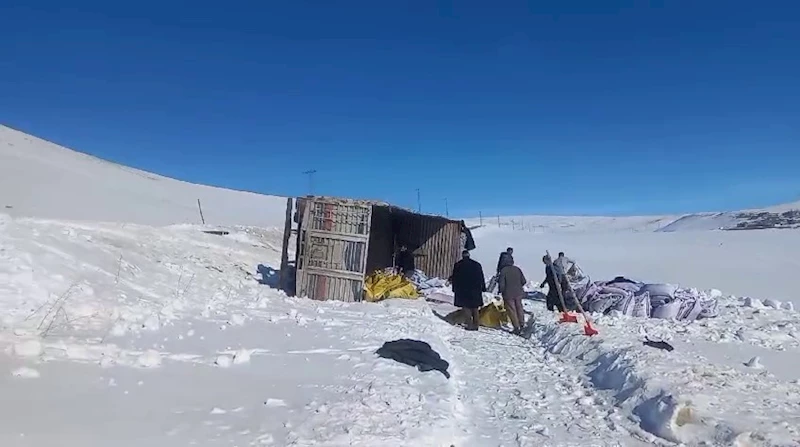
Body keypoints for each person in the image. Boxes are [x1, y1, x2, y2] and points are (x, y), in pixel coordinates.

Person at [450, 250, 486, 331]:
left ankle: (469, 324)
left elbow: (455, 278)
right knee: (475, 307)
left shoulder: (458, 265)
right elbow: (481, 277)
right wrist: (483, 287)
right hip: (475, 289)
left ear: (462, 256)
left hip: (462, 289)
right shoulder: (477, 265)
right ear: (469, 255)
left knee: (466, 307)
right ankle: (476, 325)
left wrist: (454, 288)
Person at [497, 255, 527, 335]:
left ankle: (516, 327)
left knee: (512, 310)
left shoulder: (503, 270)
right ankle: (522, 324)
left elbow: (502, 284)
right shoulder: (517, 269)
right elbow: (524, 281)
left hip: (508, 293)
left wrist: (500, 291)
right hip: (518, 293)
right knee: (519, 307)